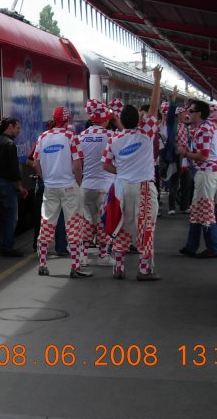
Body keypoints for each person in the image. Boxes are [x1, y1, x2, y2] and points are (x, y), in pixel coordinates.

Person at [101, 66, 162, 281]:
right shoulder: (145, 134)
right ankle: (144, 270)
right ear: (138, 120)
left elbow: (105, 165)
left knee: (122, 225)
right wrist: (157, 81)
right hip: (144, 187)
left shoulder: (114, 140)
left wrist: (122, 170)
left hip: (121, 188)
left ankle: (119, 267)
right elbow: (154, 108)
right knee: (145, 228)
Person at [33, 106, 88, 277]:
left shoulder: (42, 137)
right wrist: (78, 183)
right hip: (69, 186)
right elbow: (78, 165)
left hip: (50, 187)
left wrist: (46, 179)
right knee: (73, 224)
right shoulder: (71, 137)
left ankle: (42, 263)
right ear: (67, 120)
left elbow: (35, 164)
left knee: (47, 223)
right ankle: (75, 266)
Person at [178, 100, 217, 258]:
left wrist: (185, 153)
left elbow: (203, 156)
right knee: (197, 210)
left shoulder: (203, 130)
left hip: (206, 171)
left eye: (192, 110)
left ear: (200, 114)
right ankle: (192, 246)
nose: (189, 112)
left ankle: (213, 247)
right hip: (207, 172)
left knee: (204, 210)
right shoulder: (207, 126)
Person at [78, 99, 115, 267]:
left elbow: (77, 163)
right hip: (105, 187)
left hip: (86, 185)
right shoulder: (111, 136)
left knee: (86, 222)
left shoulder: (81, 137)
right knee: (102, 223)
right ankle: (102, 256)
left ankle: (83, 257)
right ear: (105, 120)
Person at [0, 117, 29, 256]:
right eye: (17, 128)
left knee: (1, 216)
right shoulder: (10, 144)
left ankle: (0, 246)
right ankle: (7, 247)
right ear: (10, 127)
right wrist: (20, 186)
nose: (19, 131)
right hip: (7, 184)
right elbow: (14, 169)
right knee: (11, 217)